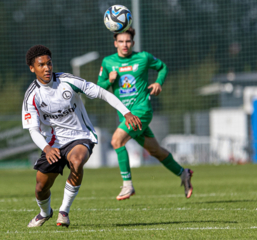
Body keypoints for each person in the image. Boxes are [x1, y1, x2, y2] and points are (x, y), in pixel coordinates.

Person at [22, 45, 142, 227]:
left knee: (77, 162)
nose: (47, 68)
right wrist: (46, 148)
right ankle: (45, 213)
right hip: (53, 144)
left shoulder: (67, 81)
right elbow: (33, 129)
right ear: (32, 68)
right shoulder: (32, 96)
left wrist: (126, 113)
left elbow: (102, 93)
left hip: (80, 136)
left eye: (49, 63)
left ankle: (64, 211)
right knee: (40, 188)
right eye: (41, 65)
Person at [97, 28, 193, 201]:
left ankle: (127, 185)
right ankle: (183, 173)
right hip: (125, 115)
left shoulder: (143, 57)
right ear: (115, 43)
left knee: (116, 140)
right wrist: (109, 80)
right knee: (156, 151)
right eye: (121, 41)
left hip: (142, 111)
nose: (124, 45)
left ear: (133, 43)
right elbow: (98, 88)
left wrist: (158, 82)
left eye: (128, 41)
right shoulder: (107, 62)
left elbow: (162, 67)